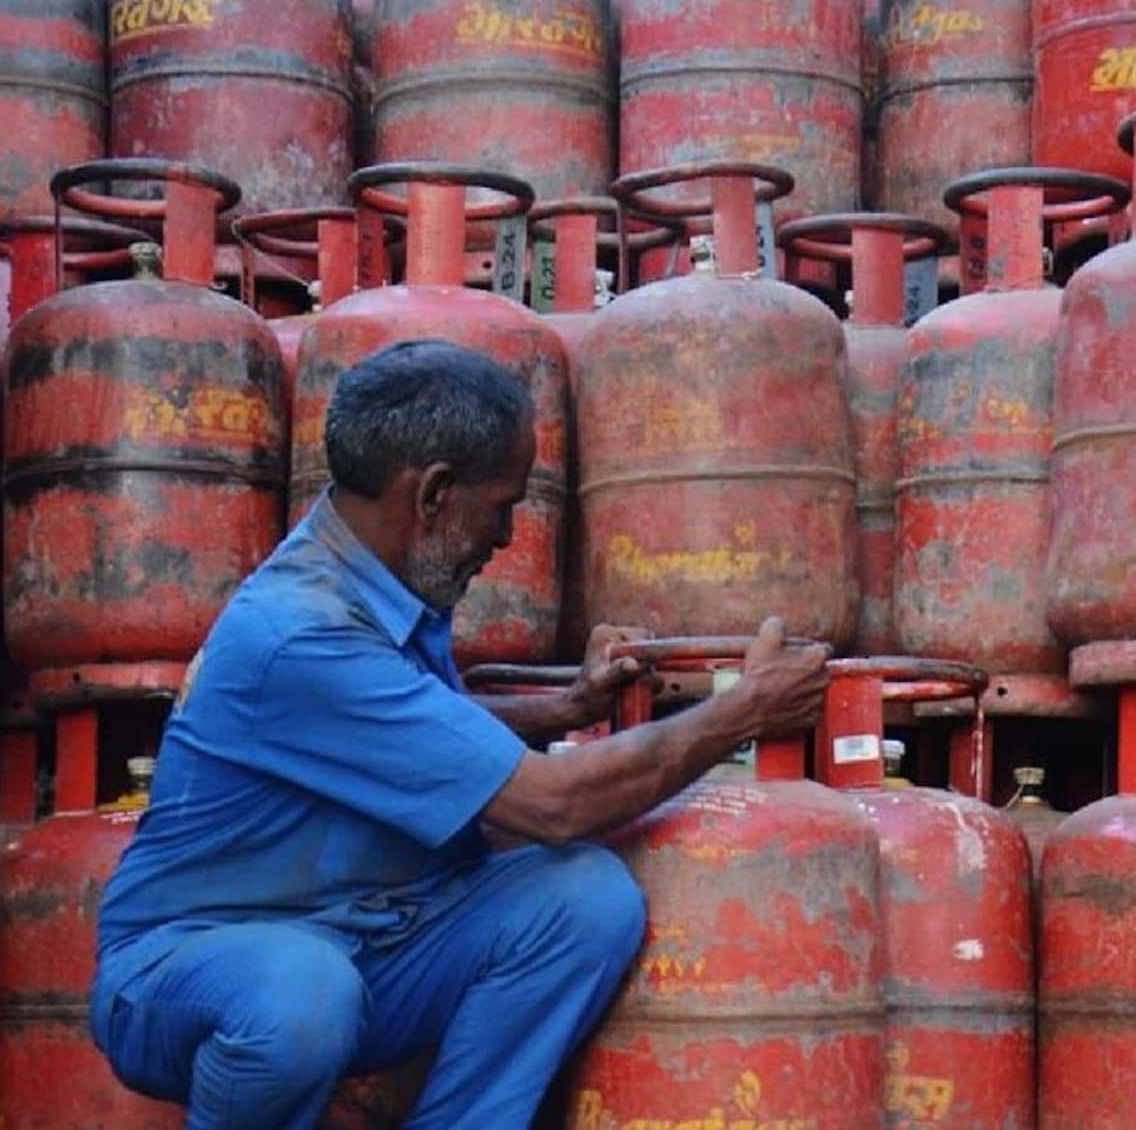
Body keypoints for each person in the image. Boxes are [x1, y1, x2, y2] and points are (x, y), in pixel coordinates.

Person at [90, 339, 832, 1130]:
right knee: (301, 994)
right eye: (504, 505)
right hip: (192, 965)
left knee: (584, 900)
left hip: (364, 944)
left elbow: (405, 731)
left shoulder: (376, 582)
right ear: (435, 494)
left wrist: (566, 708)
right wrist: (744, 711)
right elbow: (553, 806)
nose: (507, 535)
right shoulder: (299, 633)